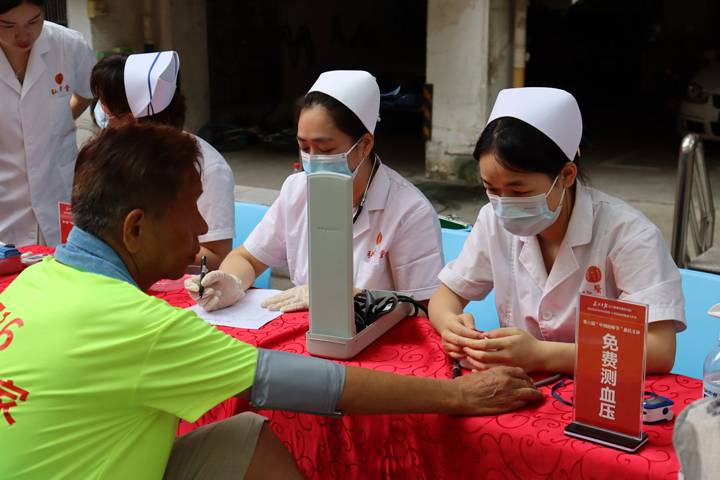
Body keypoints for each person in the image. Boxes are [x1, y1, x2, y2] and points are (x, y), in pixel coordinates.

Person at [0, 123, 543, 480]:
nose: (203, 227)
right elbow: (310, 384)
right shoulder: (136, 325)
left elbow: (427, 300)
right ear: (136, 228)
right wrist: (456, 397)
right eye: (192, 209)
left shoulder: (34, 280)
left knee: (243, 436)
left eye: (324, 146)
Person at [428, 87, 686, 375]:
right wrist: (450, 325)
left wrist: (542, 355)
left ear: (566, 175)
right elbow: (446, 296)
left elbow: (660, 350)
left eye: (519, 191)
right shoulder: (492, 221)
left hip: (598, 393)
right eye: (491, 189)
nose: (504, 204)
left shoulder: (628, 234)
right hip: (519, 384)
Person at [186, 70, 444, 314]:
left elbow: (422, 309)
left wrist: (350, 297)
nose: (313, 159)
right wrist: (232, 282)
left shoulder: (409, 211)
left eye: (326, 150)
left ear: (365, 144)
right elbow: (248, 258)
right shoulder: (297, 190)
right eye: (304, 148)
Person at [90, 51, 235, 270]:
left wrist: (137, 254)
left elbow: (216, 258)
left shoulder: (206, 167)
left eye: (108, 114)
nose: (104, 122)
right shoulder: (118, 159)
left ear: (131, 120)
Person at [0, 0, 95, 247]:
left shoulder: (68, 44)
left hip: (58, 193)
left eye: (34, 21)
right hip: (5, 203)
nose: (24, 34)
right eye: (8, 25)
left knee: (63, 272)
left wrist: (55, 127)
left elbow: (87, 91)